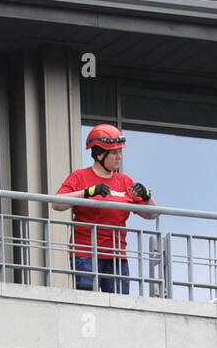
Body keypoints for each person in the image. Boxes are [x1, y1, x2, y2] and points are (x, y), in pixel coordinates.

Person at [53, 125, 157, 294]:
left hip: (116, 255)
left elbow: (151, 214)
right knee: (87, 298)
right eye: (114, 153)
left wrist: (147, 196)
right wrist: (88, 192)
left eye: (120, 152)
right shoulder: (80, 177)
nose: (119, 157)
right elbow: (56, 203)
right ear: (99, 154)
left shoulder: (125, 181)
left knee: (119, 303)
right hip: (85, 252)